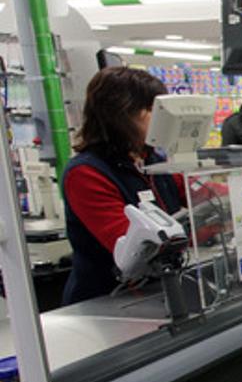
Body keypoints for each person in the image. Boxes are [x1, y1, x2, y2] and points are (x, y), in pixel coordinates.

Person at [61, 67, 186, 305]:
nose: (160, 117)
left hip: (158, 292)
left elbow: (198, 196)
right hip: (106, 304)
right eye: (151, 109)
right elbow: (133, 245)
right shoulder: (86, 173)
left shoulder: (151, 161)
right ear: (121, 114)